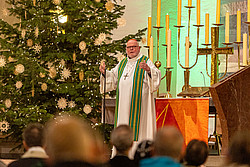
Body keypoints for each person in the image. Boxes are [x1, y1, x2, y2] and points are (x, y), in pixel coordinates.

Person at [99, 39, 161, 154]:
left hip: (140, 107)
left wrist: (148, 70)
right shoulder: (122, 63)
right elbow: (112, 77)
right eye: (129, 47)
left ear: (138, 48)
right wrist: (104, 73)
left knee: (140, 129)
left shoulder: (145, 61)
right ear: (126, 49)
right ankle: (122, 152)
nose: (131, 49)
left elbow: (156, 75)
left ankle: (139, 152)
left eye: (134, 46)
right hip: (123, 107)